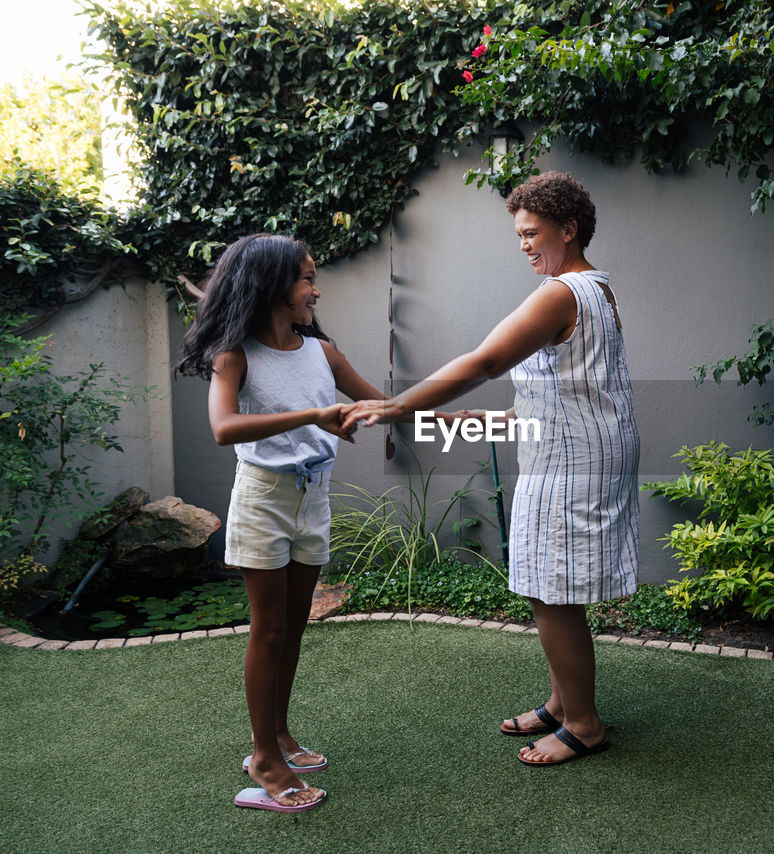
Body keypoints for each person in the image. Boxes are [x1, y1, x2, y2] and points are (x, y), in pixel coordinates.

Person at [345, 171, 639, 767]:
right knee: (550, 585)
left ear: (569, 228)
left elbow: (484, 358)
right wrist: (483, 420)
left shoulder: (560, 293)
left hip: (571, 463)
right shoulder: (597, 289)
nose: (525, 244)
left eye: (533, 233)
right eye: (519, 235)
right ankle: (562, 704)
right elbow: (562, 393)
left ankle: (583, 724)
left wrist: (400, 404)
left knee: (552, 592)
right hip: (576, 450)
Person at [176, 233, 383, 811]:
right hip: (263, 498)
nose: (316, 290)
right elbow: (224, 427)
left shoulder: (323, 352)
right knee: (268, 628)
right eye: (306, 279)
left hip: (313, 496)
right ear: (271, 285)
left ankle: (280, 734)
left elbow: (381, 405)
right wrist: (316, 413)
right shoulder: (234, 353)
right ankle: (263, 755)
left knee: (294, 624)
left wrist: (466, 414)